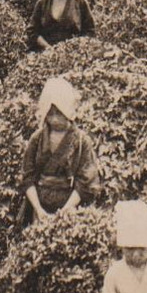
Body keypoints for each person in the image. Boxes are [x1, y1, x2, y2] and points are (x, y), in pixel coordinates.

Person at [16, 77, 103, 229]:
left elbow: (85, 183)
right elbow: (27, 177)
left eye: (59, 113)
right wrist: (39, 210)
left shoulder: (82, 141)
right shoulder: (37, 139)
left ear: (68, 112)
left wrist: (65, 211)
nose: (55, 119)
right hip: (39, 207)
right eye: (51, 114)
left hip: (70, 208)